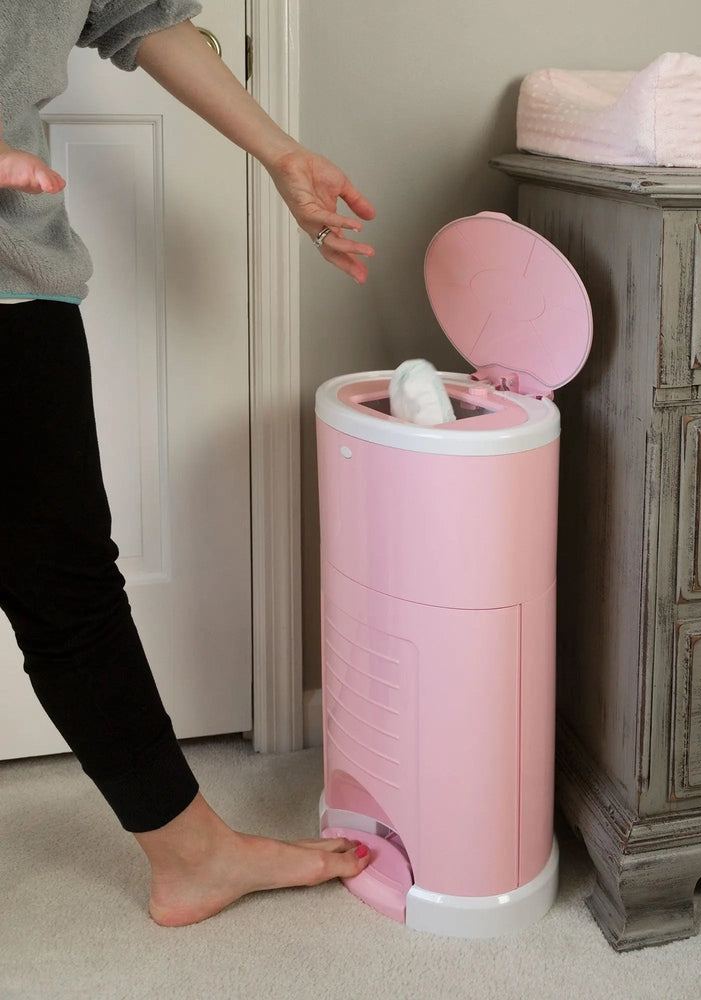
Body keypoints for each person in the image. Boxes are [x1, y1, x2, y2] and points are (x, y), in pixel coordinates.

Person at [0, 1, 375, 926]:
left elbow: (134, 14)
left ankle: (193, 856)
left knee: (65, 577)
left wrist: (277, 149)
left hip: (14, 270)